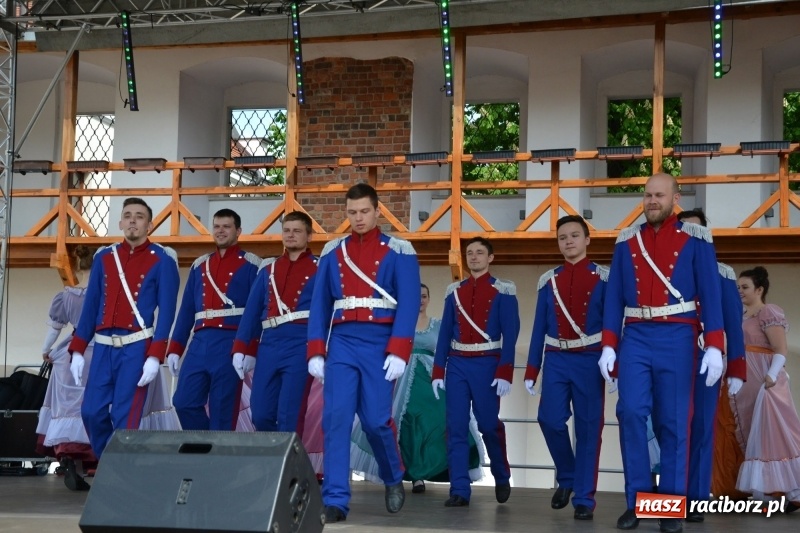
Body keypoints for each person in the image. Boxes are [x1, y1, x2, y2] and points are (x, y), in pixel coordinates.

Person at [600, 174, 725, 533]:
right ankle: (637, 503)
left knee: (674, 424)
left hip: (678, 336)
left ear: (675, 197)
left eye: (659, 195)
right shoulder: (627, 242)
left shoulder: (696, 240)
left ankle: (668, 508)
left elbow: (710, 294)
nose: (652, 200)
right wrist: (609, 344)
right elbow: (614, 298)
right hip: (636, 335)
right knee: (630, 412)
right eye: (647, 195)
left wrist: (714, 345)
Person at [307, 183, 420, 523]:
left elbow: (410, 303)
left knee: (375, 420)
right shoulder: (332, 252)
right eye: (352, 212)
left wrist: (399, 350)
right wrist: (315, 349)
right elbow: (319, 305)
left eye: (364, 211)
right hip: (341, 341)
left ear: (377, 211)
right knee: (335, 420)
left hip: (380, 341)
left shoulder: (399, 250)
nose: (358, 218)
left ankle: (393, 475)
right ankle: (336, 500)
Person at [68, 197, 180, 459]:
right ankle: (113, 463)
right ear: (120, 222)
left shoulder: (163, 259)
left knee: (125, 415)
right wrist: (77, 348)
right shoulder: (105, 257)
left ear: (149, 225)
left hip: (136, 347)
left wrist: (155, 356)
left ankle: (115, 472)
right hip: (103, 347)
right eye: (128, 215)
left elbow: (167, 312)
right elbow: (91, 305)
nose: (133, 220)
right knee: (90, 411)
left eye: (139, 216)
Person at [350, 283, 485, 491]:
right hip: (402, 379)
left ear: (429, 299)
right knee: (406, 423)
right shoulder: (399, 324)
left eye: (424, 296)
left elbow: (449, 352)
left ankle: (443, 469)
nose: (420, 300)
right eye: (416, 296)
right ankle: (415, 476)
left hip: (432, 379)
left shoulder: (439, 325)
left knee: (440, 420)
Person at [524, 215, 607, 520]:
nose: (569, 241)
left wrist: (614, 362)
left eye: (574, 235)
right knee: (549, 419)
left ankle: (584, 497)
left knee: (588, 429)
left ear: (587, 239)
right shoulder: (549, 280)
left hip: (590, 358)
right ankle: (569, 475)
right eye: (562, 237)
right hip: (556, 358)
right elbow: (538, 328)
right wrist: (532, 368)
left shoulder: (603, 277)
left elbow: (613, 324)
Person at [432, 237, 520, 508]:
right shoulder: (454, 291)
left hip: (488, 363)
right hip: (457, 363)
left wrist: (505, 371)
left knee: (488, 425)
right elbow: (445, 332)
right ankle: (459, 489)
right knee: (455, 427)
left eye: (480, 253)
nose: (474, 257)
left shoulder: (503, 290)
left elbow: (511, 333)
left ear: (490, 258)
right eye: (469, 253)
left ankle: (502, 474)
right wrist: (438, 370)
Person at [674, 208, 746, 522]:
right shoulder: (666, 270)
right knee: (672, 428)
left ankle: (697, 499)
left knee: (702, 428)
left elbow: (733, 323)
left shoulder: (723, 274)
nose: (690, 236)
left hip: (708, 360)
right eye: (684, 230)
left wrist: (738, 368)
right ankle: (671, 498)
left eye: (696, 230)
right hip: (671, 358)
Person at [166, 209, 260, 430]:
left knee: (222, 411)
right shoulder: (200, 265)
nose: (220, 231)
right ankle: (205, 449)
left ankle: (218, 459)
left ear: (238, 231)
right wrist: (175, 348)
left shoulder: (252, 265)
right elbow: (187, 310)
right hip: (199, 343)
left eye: (226, 227)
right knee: (183, 402)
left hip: (230, 342)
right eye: (217, 226)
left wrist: (249, 348)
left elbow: (256, 313)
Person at [232, 211, 317, 432]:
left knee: (290, 414)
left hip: (301, 343)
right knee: (260, 413)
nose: (290, 235)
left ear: (309, 236)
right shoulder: (268, 269)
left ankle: (287, 466)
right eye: (286, 230)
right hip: (269, 344)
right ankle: (270, 462)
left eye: (297, 231)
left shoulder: (320, 268)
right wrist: (241, 347)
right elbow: (252, 312)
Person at [731, 266, 800, 507]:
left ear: (759, 289)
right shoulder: (742, 316)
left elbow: (780, 349)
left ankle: (793, 490)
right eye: (738, 287)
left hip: (765, 382)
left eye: (745, 287)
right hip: (746, 383)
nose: (740, 291)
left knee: (777, 432)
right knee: (755, 434)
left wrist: (771, 377)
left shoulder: (768, 312)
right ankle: (768, 492)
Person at [36, 245, 97, 491]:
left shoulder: (66, 296)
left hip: (70, 354)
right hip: (97, 351)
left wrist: (46, 351)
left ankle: (71, 461)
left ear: (77, 267)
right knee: (96, 405)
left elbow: (54, 328)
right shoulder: (102, 293)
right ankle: (95, 461)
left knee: (68, 407)